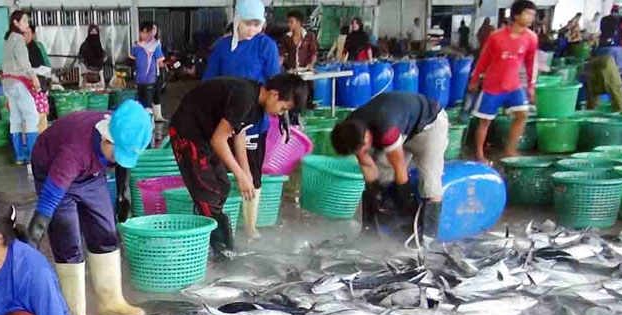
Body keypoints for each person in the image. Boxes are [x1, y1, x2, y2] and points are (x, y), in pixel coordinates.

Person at [24, 102, 152, 315]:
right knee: (68, 240)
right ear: (106, 139)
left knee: (106, 231)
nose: (119, 160)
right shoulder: (73, 153)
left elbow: (123, 160)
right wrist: (31, 242)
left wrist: (123, 193)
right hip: (52, 171)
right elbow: (48, 204)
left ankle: (111, 300)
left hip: (91, 176)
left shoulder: (125, 126)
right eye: (117, 154)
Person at [168, 74, 305, 258]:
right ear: (274, 94)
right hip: (188, 133)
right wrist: (240, 176)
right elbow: (219, 140)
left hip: (207, 135)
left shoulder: (257, 107)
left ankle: (215, 243)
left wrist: (246, 173)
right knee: (209, 192)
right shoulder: (244, 97)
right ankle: (217, 249)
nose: (280, 114)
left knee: (222, 186)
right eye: (283, 108)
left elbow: (238, 134)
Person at [204, 0, 282, 240]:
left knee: (252, 174)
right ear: (237, 21)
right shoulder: (222, 48)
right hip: (224, 121)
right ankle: (219, 223)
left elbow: (275, 83)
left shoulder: (265, 46)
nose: (251, 29)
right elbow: (208, 82)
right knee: (219, 172)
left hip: (254, 122)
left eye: (257, 24)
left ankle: (250, 226)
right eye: (247, 23)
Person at [331, 91, 448, 244]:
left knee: (429, 184)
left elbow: (399, 167)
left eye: (363, 149)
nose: (361, 153)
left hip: (429, 126)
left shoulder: (386, 131)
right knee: (383, 178)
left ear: (367, 137)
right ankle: (370, 231)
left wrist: (406, 200)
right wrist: (374, 192)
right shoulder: (349, 130)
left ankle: (426, 239)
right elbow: (367, 165)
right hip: (401, 126)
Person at [468, 0, 538, 161]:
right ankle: (479, 154)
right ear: (516, 15)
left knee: (522, 114)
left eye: (533, 15)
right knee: (484, 121)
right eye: (528, 14)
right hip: (492, 86)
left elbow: (531, 63)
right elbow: (483, 59)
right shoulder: (496, 36)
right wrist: (474, 79)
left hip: (514, 85)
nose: (531, 18)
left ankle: (510, 150)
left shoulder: (531, 38)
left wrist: (531, 86)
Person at [1, 10, 40, 165]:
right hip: (19, 82)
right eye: (24, 21)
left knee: (15, 119)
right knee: (32, 117)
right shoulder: (18, 39)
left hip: (8, 84)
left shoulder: (7, 40)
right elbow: (24, 62)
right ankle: (33, 155)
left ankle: (19, 156)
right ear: (15, 23)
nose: (27, 24)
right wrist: (34, 77)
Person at [131, 21, 166, 121]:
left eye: (147, 32)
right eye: (142, 32)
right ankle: (146, 120)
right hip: (139, 79)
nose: (144, 34)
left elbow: (160, 62)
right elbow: (132, 60)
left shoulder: (156, 46)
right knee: (141, 101)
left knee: (149, 101)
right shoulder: (136, 46)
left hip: (151, 78)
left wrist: (162, 76)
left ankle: (150, 122)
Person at [25, 23, 51, 133]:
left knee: (38, 118)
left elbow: (45, 66)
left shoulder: (35, 47)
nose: (27, 36)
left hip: (37, 89)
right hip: (34, 90)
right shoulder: (21, 49)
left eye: (29, 34)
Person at [78, 24, 107, 88]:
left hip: (99, 74)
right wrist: (85, 76)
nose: (94, 34)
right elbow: (81, 61)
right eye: (92, 32)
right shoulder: (84, 46)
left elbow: (103, 58)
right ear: (89, 33)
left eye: (95, 32)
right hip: (87, 75)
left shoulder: (100, 47)